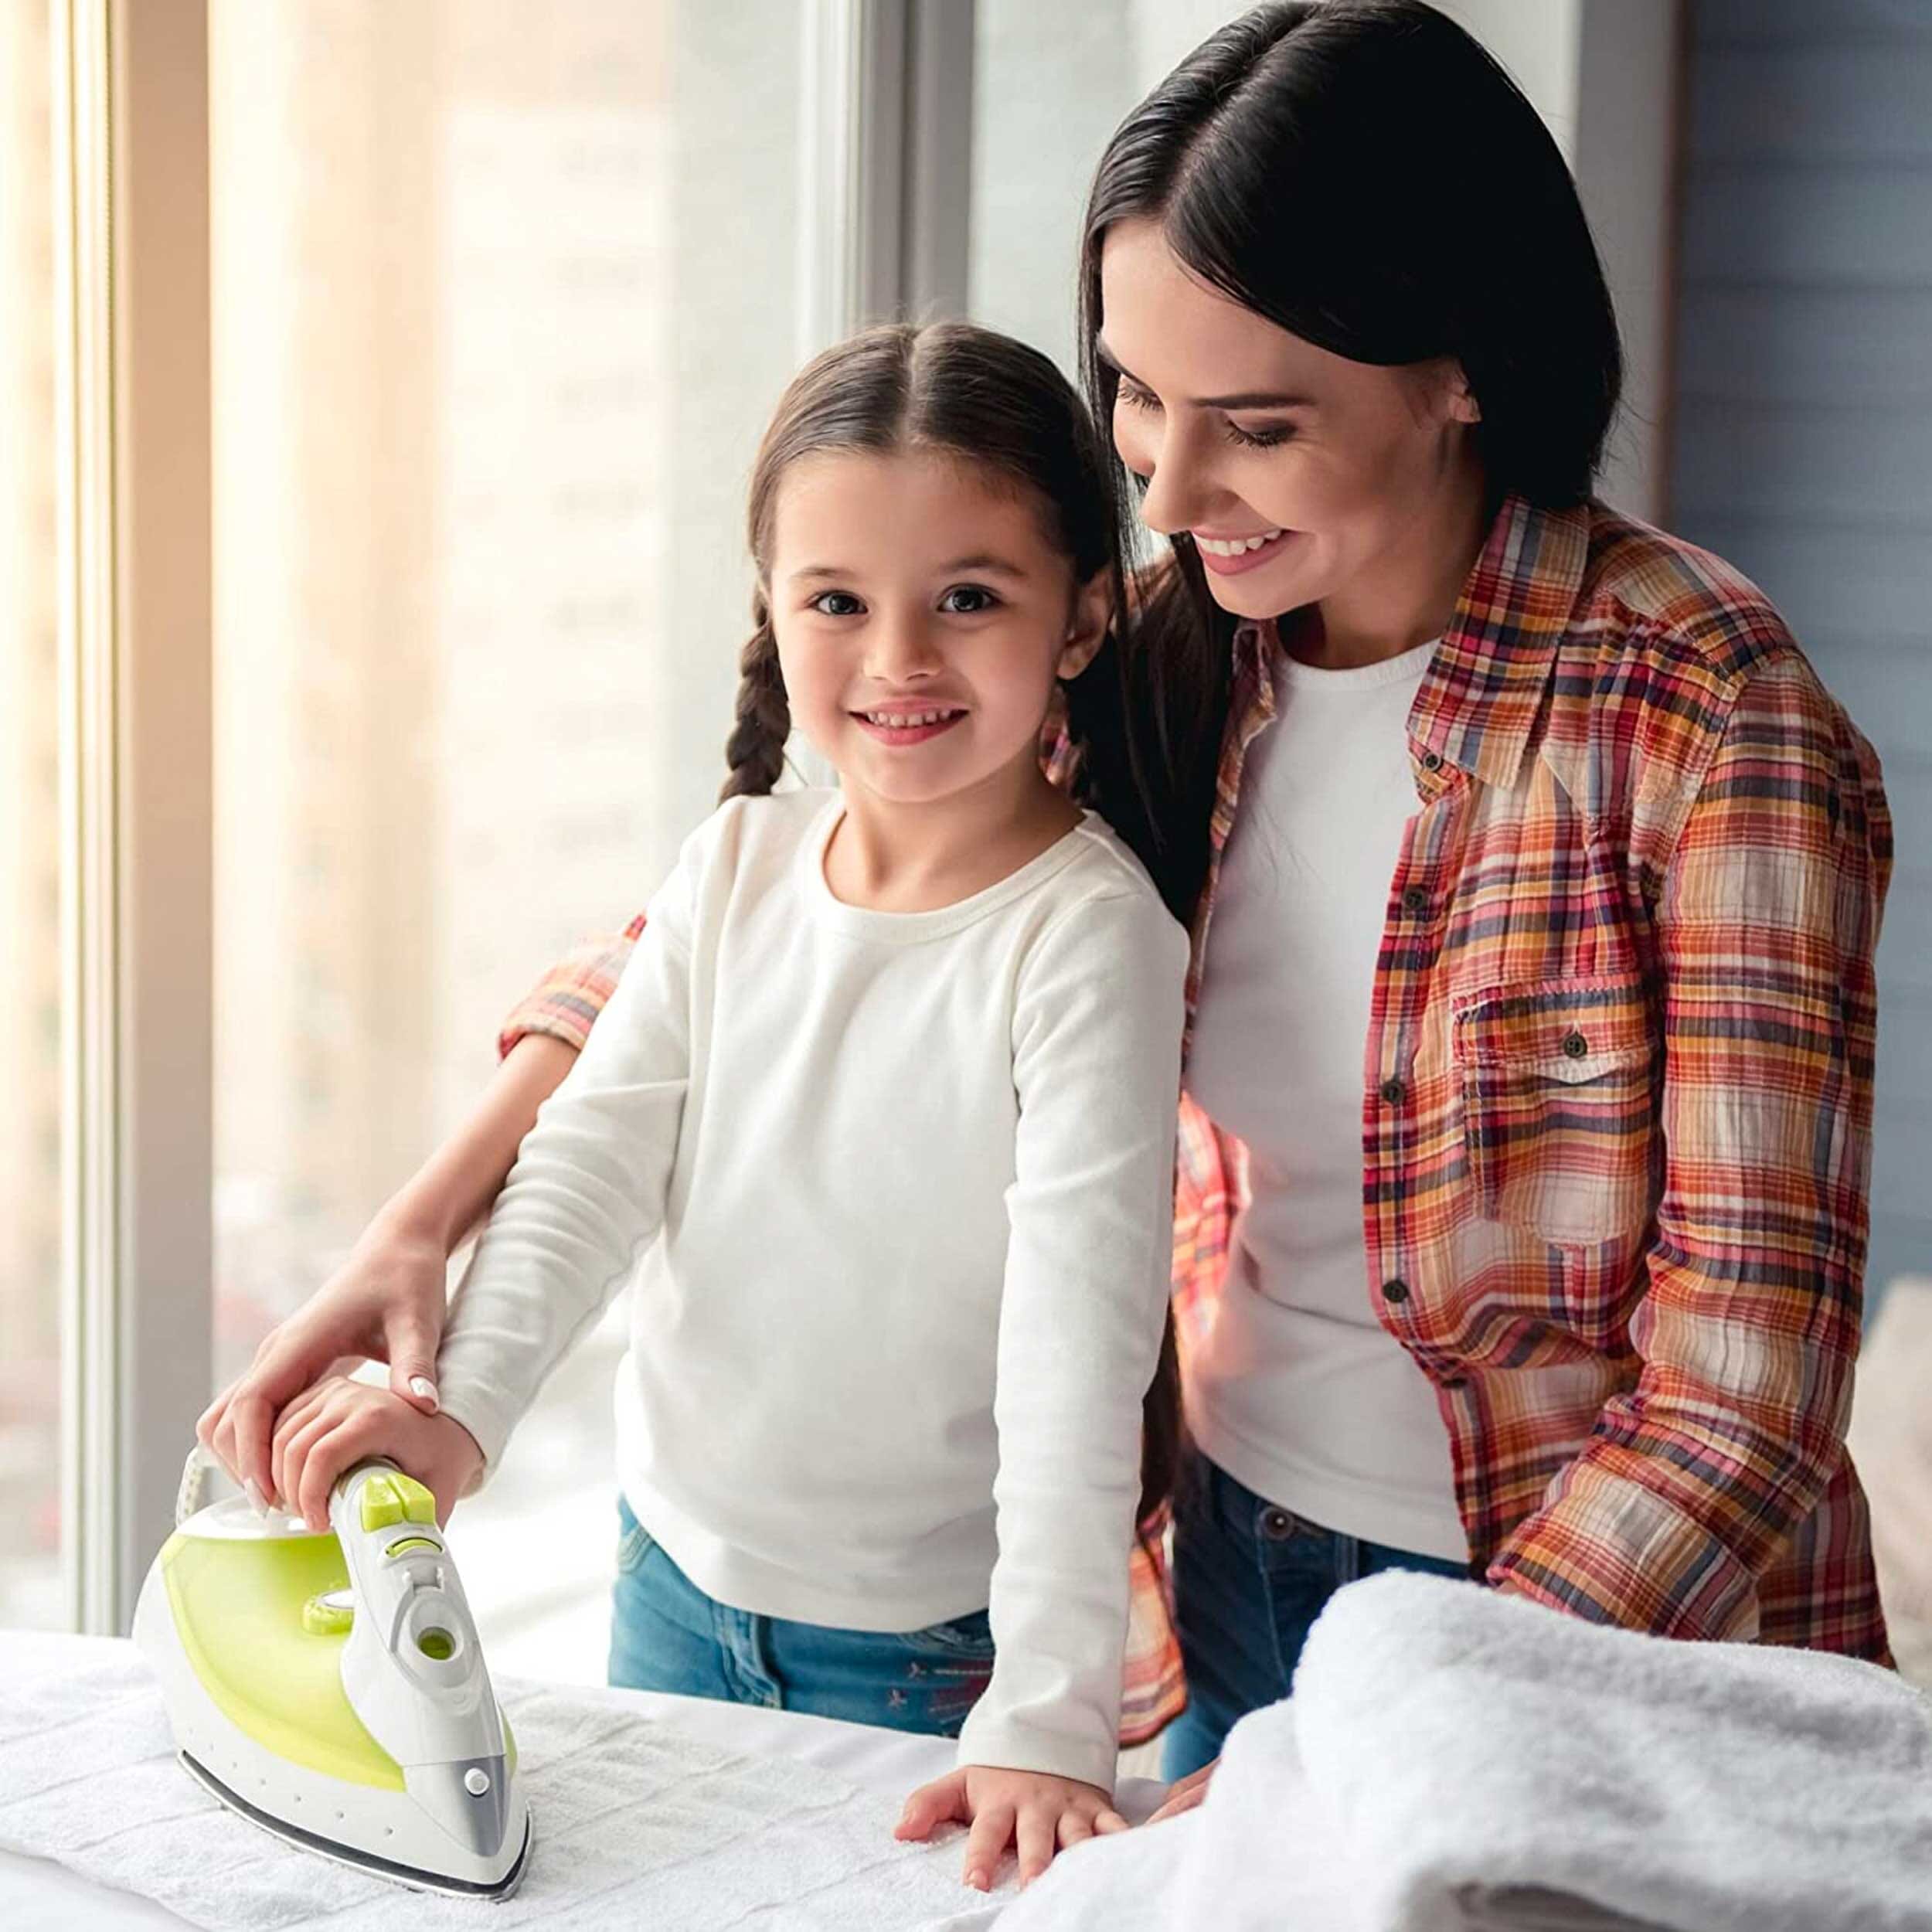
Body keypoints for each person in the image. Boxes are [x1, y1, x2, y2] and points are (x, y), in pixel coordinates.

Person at [204, 0, 1893, 1829]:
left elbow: (1739, 1401)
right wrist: (424, 1219)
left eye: (1252, 422)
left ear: (1458, 366)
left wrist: (1380, 1736)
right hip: (1233, 1551)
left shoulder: (1706, 717)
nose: (1163, 493)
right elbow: (752, 934)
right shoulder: (1188, 653)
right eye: (1135, 397)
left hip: (1565, 1619)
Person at [237, 320, 1192, 1892]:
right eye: (837, 600)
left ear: (1083, 610)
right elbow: (592, 1166)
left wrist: (1044, 1710)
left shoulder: (1085, 937)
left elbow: (1078, 1348)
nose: (897, 657)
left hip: (922, 1657)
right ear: (771, 607)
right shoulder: (734, 865)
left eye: (967, 596)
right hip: (663, 1579)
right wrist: (458, 1409)